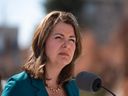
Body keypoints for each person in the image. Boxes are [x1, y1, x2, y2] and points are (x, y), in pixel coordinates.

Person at [1, 11, 82, 96]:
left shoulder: (73, 88)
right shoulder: (18, 86)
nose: (67, 45)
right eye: (59, 37)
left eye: (72, 40)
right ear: (42, 42)